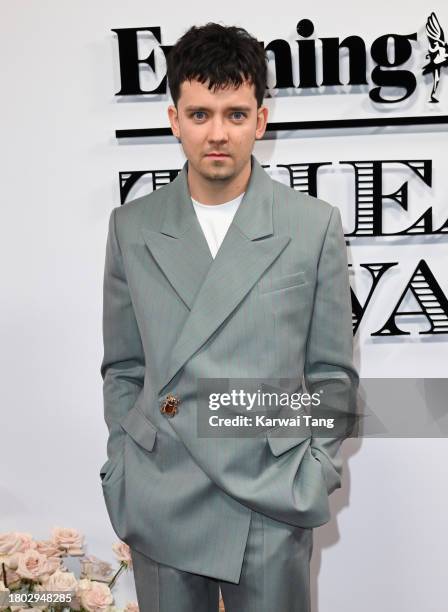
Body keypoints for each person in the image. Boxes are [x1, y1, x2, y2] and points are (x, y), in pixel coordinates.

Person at [99, 22, 359, 612]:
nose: (217, 133)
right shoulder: (132, 228)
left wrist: (310, 469)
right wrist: (125, 465)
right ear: (174, 120)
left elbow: (331, 377)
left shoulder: (311, 225)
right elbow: (124, 367)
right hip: (161, 491)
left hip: (268, 497)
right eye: (200, 114)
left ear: (261, 121)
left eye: (236, 114)